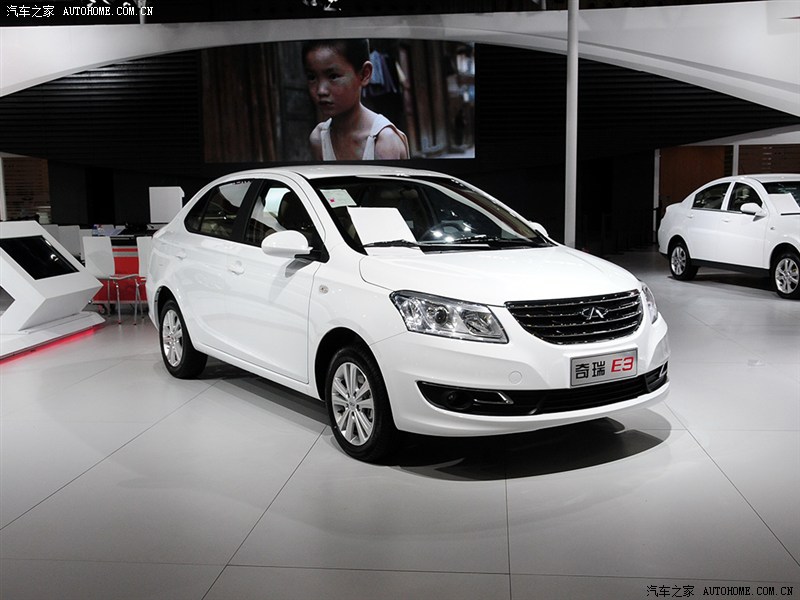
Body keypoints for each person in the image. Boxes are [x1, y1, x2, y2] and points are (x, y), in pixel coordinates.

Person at [302, 39, 410, 161]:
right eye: (312, 77)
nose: (321, 90)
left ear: (364, 74)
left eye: (333, 76)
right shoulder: (319, 139)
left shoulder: (384, 141)